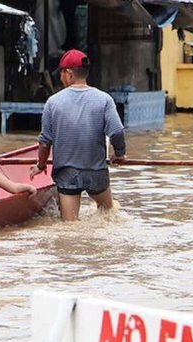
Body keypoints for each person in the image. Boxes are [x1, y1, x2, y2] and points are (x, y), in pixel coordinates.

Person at [29, 49, 126, 221]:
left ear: (69, 74)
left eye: (61, 73)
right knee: (108, 213)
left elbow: (45, 142)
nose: (60, 78)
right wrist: (120, 154)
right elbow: (117, 132)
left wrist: (41, 165)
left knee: (70, 226)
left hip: (67, 174)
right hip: (96, 172)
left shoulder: (53, 102)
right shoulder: (104, 99)